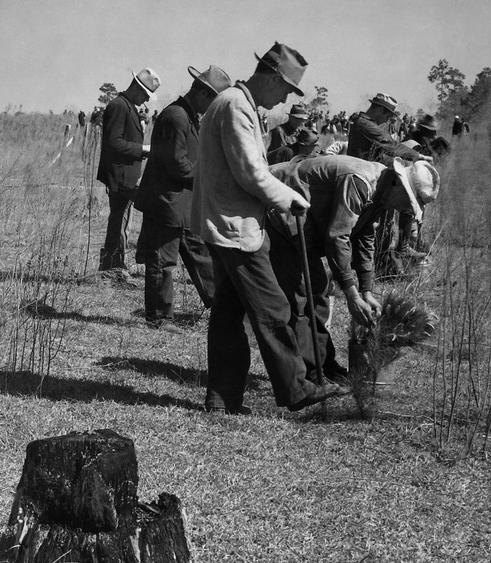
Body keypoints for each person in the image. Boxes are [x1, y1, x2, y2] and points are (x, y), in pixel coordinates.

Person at [192, 42, 348, 415]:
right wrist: (289, 197)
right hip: (234, 226)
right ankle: (296, 389)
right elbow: (250, 172)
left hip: (229, 222)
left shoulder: (238, 103)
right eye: (286, 90)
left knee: (228, 313)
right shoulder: (235, 105)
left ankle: (222, 399)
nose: (284, 100)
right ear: (272, 77)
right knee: (273, 307)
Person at [267, 155, 440, 379]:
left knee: (316, 292)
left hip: (302, 225)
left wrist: (366, 291)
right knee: (304, 292)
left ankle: (323, 365)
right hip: (279, 214)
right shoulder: (360, 182)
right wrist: (351, 294)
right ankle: (312, 370)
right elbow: (338, 238)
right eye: (408, 200)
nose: (405, 207)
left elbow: (365, 236)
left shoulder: (383, 191)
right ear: (398, 182)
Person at [134, 65, 230, 327]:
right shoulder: (176, 116)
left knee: (202, 258)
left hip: (184, 204)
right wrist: (210, 174)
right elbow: (177, 164)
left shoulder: (187, 115)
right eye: (213, 102)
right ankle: (159, 319)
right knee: (162, 264)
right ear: (201, 93)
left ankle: (225, 312)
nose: (212, 108)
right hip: (166, 204)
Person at [96, 68, 161, 273]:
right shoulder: (119, 106)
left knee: (120, 220)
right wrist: (143, 149)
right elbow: (113, 143)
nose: (146, 100)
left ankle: (113, 266)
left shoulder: (127, 106)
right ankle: (114, 266)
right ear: (136, 87)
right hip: (120, 175)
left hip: (126, 174)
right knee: (122, 219)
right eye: (145, 95)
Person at [347, 93, 429, 165]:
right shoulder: (366, 125)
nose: (387, 120)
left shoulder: (363, 122)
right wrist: (418, 156)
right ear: (380, 110)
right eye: (388, 116)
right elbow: (391, 146)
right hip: (361, 170)